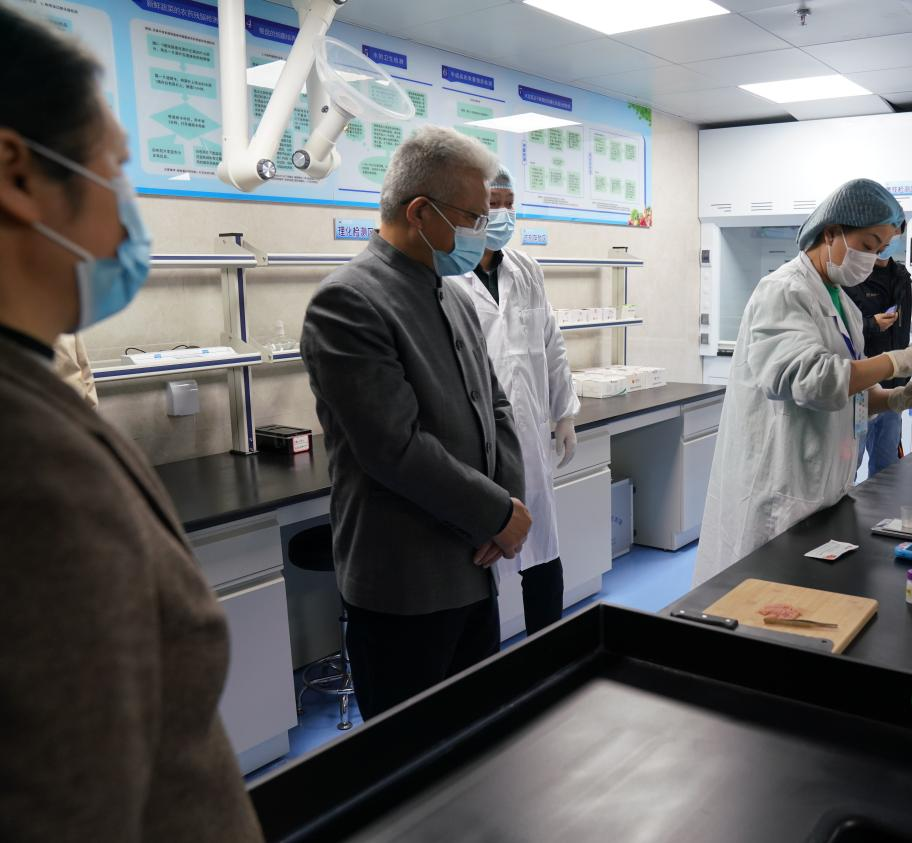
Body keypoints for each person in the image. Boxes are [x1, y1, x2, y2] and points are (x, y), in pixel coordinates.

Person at [0, 9, 262, 840]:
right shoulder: (30, 464)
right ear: (16, 172)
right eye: (116, 165)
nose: (128, 211)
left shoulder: (30, 384)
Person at [301, 126, 528, 720]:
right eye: (473, 217)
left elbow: (495, 406)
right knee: (410, 754)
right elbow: (395, 449)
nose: (482, 230)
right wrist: (497, 514)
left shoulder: (452, 294)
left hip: (475, 566)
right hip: (405, 585)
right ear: (421, 212)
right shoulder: (349, 301)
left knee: (476, 738)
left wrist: (508, 509)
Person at [693, 179, 912, 587]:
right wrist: (897, 360)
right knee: (765, 601)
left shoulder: (842, 302)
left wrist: (895, 398)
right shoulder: (783, 291)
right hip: (782, 488)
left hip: (824, 489)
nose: (873, 260)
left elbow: (849, 391)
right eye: (868, 245)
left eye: (882, 250)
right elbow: (812, 379)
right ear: (831, 233)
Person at [446, 166, 580, 634]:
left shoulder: (526, 269)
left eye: (509, 203)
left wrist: (564, 413)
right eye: (493, 204)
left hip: (530, 434)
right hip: (476, 442)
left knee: (542, 551)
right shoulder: (447, 276)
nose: (502, 213)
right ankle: (488, 661)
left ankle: (550, 652)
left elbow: (551, 343)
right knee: (481, 559)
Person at [845, 235, 912, 476]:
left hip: (893, 389)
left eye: (896, 233)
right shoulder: (853, 277)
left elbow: (902, 332)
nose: (890, 240)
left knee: (887, 468)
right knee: (849, 465)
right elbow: (840, 331)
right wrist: (872, 324)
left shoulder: (901, 277)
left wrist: (905, 378)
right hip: (861, 391)